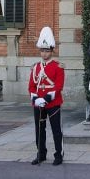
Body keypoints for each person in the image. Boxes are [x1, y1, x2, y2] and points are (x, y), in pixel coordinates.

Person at [29, 27, 64, 166]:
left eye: (47, 51)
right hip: (38, 102)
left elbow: (59, 86)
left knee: (56, 130)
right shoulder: (36, 67)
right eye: (42, 51)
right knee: (39, 130)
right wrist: (37, 99)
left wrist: (46, 99)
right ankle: (41, 154)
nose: (44, 53)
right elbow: (31, 85)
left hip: (53, 102)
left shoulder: (58, 67)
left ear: (51, 51)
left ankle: (58, 155)